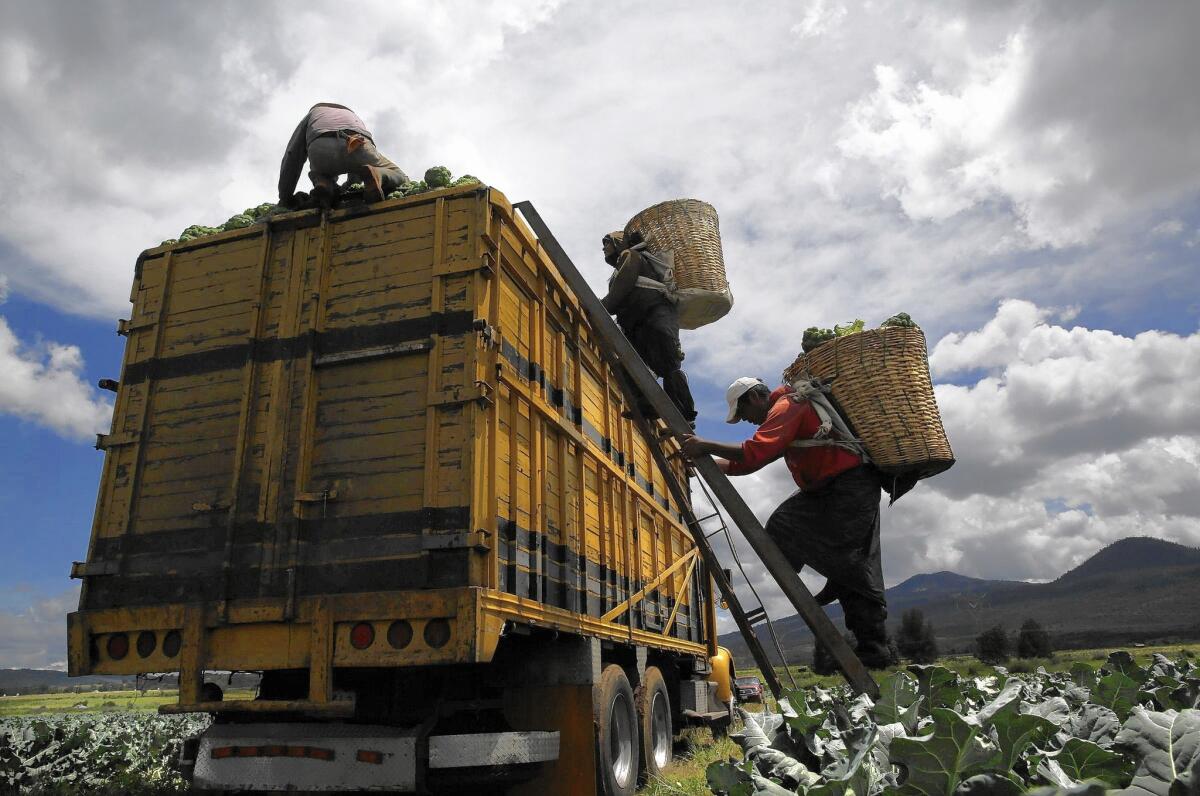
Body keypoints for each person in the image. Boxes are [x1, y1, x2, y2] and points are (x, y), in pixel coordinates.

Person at [678, 377, 896, 668]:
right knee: (796, 532)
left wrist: (705, 445)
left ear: (755, 396)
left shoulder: (789, 405)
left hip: (849, 486)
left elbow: (757, 449)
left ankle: (874, 646)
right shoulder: (786, 410)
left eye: (744, 413)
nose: (747, 421)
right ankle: (838, 580)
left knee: (851, 563)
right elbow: (749, 463)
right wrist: (703, 464)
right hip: (827, 489)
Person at [599, 231, 697, 425]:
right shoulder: (619, 267)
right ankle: (647, 406)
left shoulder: (631, 256)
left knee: (668, 365)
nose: (603, 248)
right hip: (635, 324)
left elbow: (622, 288)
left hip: (654, 317)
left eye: (606, 243)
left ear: (619, 242)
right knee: (629, 365)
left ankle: (683, 412)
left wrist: (601, 307)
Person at [278, 103, 409, 208]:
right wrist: (350, 186)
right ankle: (378, 174)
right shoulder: (353, 117)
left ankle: (323, 184)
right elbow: (356, 171)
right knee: (399, 175)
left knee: (319, 173)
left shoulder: (313, 114)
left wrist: (285, 197)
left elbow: (292, 156)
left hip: (321, 149)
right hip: (358, 144)